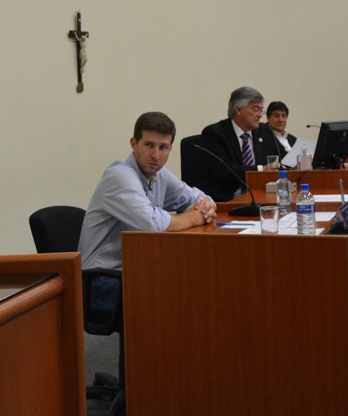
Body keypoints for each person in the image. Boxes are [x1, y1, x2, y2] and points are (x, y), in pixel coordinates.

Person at [79, 112, 217, 316]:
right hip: (100, 282)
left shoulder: (159, 174)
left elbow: (197, 196)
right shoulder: (119, 175)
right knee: (180, 294)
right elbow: (151, 224)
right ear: (134, 144)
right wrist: (191, 217)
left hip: (133, 271)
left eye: (163, 147)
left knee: (194, 281)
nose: (156, 155)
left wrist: (206, 205)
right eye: (149, 145)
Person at [190, 86, 280, 201]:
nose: (260, 115)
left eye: (261, 110)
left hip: (261, 196)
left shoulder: (264, 131)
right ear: (238, 110)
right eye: (255, 109)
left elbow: (280, 159)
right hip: (227, 200)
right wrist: (261, 169)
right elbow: (224, 171)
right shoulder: (215, 133)